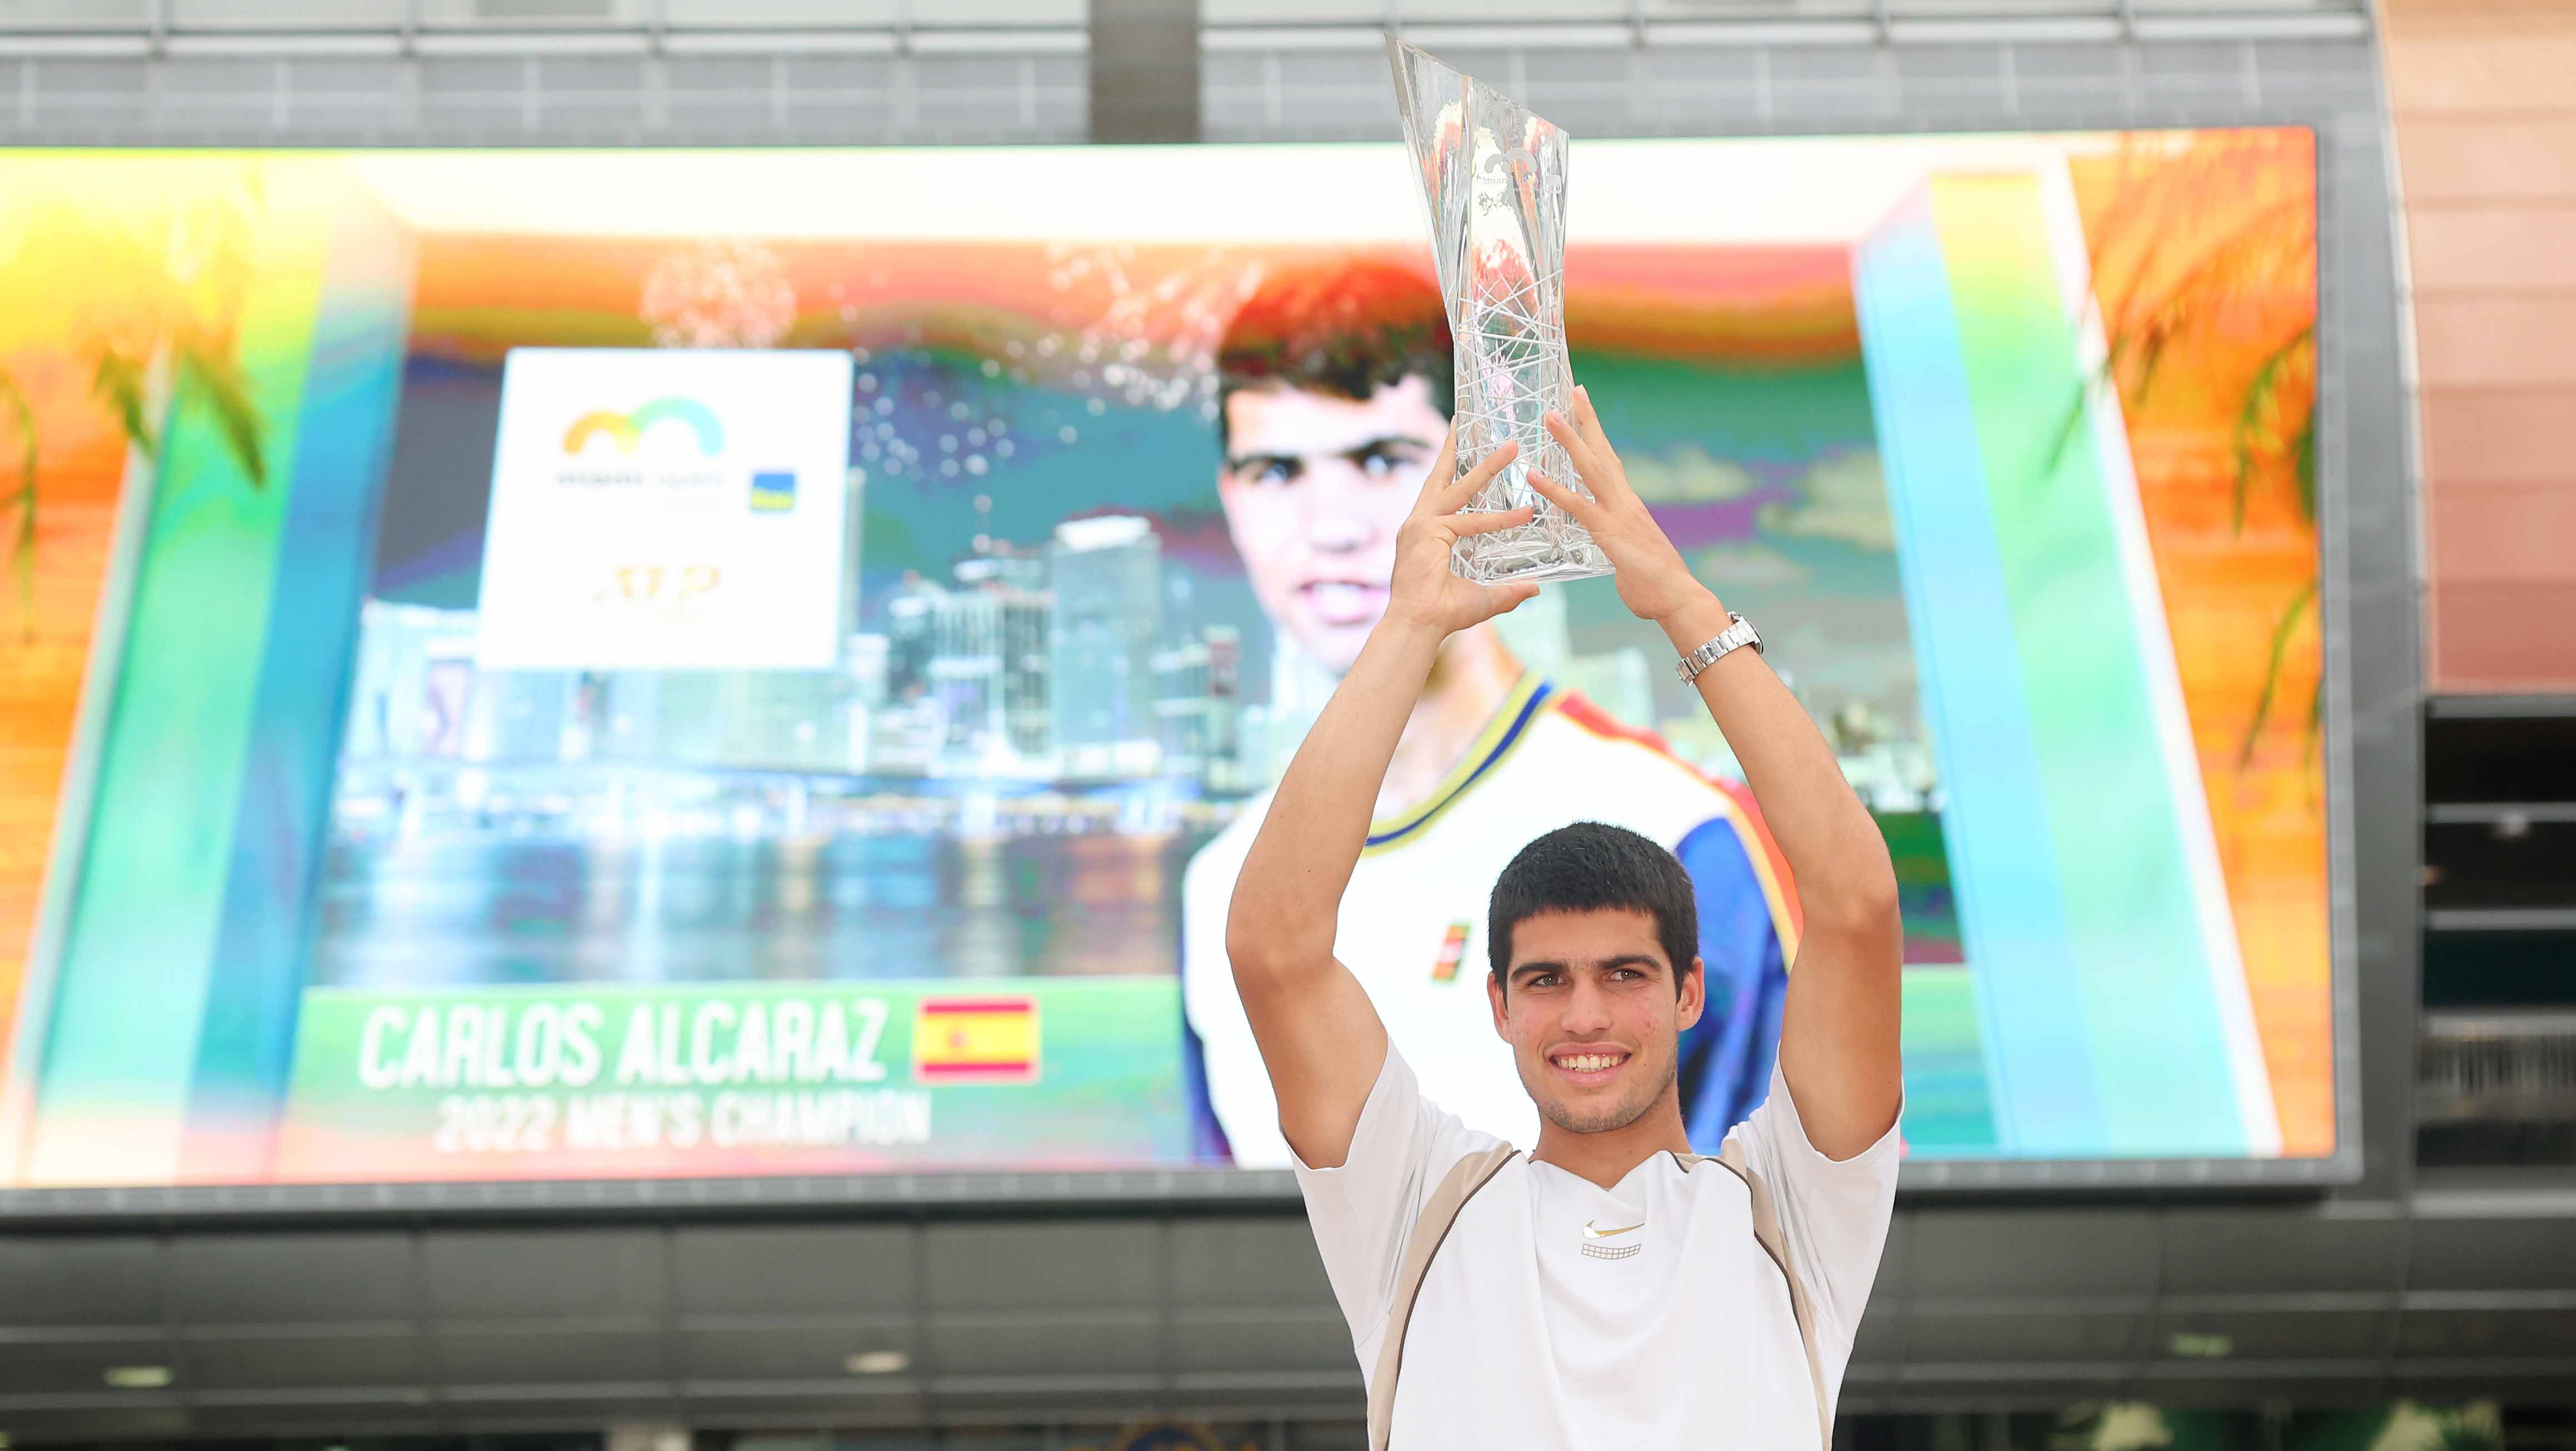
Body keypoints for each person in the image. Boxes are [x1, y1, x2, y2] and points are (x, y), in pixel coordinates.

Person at [1226, 395, 1904, 1447]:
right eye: (1546, 980)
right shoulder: (1417, 1208)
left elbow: (1856, 908)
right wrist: (1410, 622)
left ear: (1690, 992)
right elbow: (1275, 951)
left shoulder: (1793, 1209)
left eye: (1625, 974)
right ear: (1498, 1005)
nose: (1585, 1013)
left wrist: (1679, 599)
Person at [1181, 257, 1800, 1166]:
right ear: (1233, 500)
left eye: (1382, 462)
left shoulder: (1677, 832)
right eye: (1276, 472)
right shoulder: (1224, 889)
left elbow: (1775, 1235)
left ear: (1492, 470)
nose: (1332, 526)